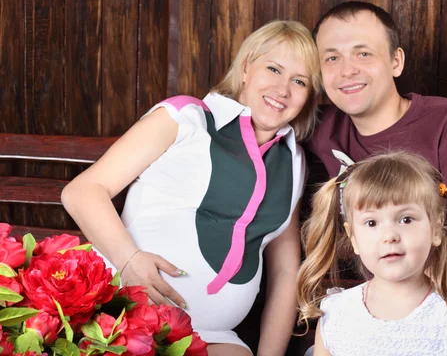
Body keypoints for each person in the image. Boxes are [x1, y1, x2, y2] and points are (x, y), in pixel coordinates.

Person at [61, 20, 321, 356]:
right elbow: (83, 191)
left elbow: (285, 272)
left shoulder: (293, 160)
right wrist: (129, 261)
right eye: (273, 69)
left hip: (215, 335)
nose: (283, 89)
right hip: (128, 314)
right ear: (245, 69)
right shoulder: (185, 118)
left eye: (299, 81)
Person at [304, 1, 447, 355]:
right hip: (380, 302)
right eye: (331, 58)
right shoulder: (322, 129)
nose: (347, 70)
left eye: (363, 53)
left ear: (396, 61)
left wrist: (404, 317)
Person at [297, 152, 447, 355]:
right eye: (372, 223)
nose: (389, 236)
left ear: (436, 228)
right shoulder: (336, 312)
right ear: (353, 238)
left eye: (406, 219)